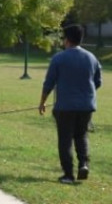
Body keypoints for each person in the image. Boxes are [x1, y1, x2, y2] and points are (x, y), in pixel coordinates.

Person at [38, 24, 102, 185]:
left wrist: (42, 102)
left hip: (65, 107)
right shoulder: (92, 58)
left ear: (66, 40)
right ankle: (83, 164)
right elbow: (98, 82)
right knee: (81, 136)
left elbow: (48, 83)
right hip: (86, 106)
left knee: (65, 140)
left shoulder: (59, 58)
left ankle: (68, 174)